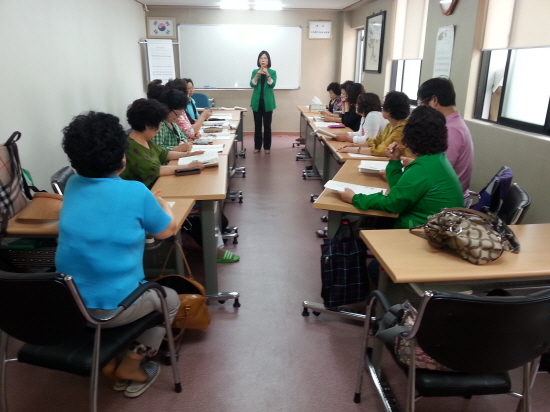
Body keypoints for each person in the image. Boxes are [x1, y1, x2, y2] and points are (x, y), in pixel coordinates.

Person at [55, 111, 180, 398]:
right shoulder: (135, 192)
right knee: (168, 300)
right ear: (121, 157)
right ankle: (131, 363)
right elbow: (167, 230)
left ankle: (109, 351)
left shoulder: (72, 185)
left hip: (65, 304)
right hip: (109, 310)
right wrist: (163, 204)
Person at [337, 105, 464, 229]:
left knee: (373, 223)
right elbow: (398, 190)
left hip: (423, 231)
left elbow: (392, 204)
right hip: (437, 228)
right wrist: (394, 161)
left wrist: (354, 198)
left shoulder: (422, 168)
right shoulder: (437, 158)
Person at [120, 98, 204, 188]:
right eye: (159, 124)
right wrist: (188, 166)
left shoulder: (145, 140)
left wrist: (189, 154)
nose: (160, 128)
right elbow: (156, 170)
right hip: (146, 191)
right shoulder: (131, 148)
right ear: (148, 126)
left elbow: (164, 153)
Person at [416, 77, 474, 198]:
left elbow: (439, 173)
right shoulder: (452, 124)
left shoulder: (451, 130)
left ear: (434, 100)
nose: (422, 108)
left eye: (422, 103)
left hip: (444, 200)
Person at [338, 91, 412, 158]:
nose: (381, 108)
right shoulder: (390, 125)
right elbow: (375, 141)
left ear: (389, 110)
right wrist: (353, 145)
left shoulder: (401, 128)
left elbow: (381, 150)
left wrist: (354, 149)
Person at [152, 89, 204, 154]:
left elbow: (183, 137)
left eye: (181, 113)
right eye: (177, 113)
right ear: (167, 108)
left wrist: (183, 142)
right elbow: (156, 149)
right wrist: (178, 148)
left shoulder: (173, 122)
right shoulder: (160, 125)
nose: (178, 116)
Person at [250, 50, 277, 154]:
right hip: (257, 102)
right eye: (261, 58)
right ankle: (257, 147)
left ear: (268, 60)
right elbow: (252, 84)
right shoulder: (254, 71)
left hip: (268, 103)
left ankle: (267, 147)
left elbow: (272, 85)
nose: (263, 60)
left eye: (265, 58)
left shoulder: (273, 72)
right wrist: (257, 75)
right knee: (257, 125)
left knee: (267, 126)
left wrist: (267, 74)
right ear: (258, 60)